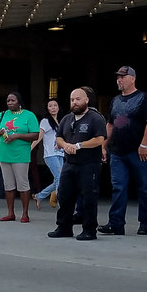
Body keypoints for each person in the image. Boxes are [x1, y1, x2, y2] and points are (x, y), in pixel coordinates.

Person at [100, 66, 147, 236]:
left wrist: (144, 144)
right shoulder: (115, 100)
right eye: (118, 77)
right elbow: (110, 124)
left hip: (138, 151)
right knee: (118, 186)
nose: (119, 80)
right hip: (117, 151)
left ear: (132, 78)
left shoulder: (143, 98)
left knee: (144, 186)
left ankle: (146, 222)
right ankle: (116, 223)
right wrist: (104, 145)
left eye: (123, 77)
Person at [48, 87, 107, 241]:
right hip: (70, 163)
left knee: (89, 197)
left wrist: (79, 145)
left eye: (78, 99)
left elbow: (99, 139)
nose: (74, 102)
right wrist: (65, 145)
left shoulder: (95, 118)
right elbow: (59, 137)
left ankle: (89, 230)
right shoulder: (67, 119)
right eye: (72, 100)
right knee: (64, 195)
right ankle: (64, 227)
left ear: (86, 100)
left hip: (89, 164)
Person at [0, 93, 39, 222]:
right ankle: (10, 213)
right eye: (8, 101)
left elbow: (35, 135)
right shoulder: (2, 115)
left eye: (13, 100)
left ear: (19, 102)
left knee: (22, 184)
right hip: (4, 155)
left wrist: (17, 136)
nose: (9, 102)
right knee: (8, 185)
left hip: (21, 155)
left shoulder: (29, 115)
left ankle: (25, 214)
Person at [33, 99, 63, 209]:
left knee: (59, 179)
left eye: (55, 105)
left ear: (59, 107)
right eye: (50, 105)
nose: (53, 107)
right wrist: (30, 148)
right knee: (60, 177)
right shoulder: (45, 121)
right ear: (47, 108)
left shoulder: (62, 121)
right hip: (50, 154)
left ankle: (39, 196)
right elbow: (39, 137)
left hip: (61, 153)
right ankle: (62, 204)